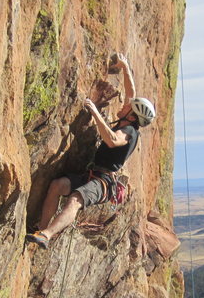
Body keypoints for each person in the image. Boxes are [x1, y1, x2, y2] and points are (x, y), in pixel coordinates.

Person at [25, 53, 156, 249]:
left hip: (103, 183)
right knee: (57, 185)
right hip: (92, 174)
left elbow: (112, 141)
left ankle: (47, 234)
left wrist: (95, 112)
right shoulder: (127, 121)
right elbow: (131, 92)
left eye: (128, 107)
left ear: (132, 115)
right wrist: (125, 67)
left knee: (76, 199)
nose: (124, 105)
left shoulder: (129, 132)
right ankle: (41, 232)